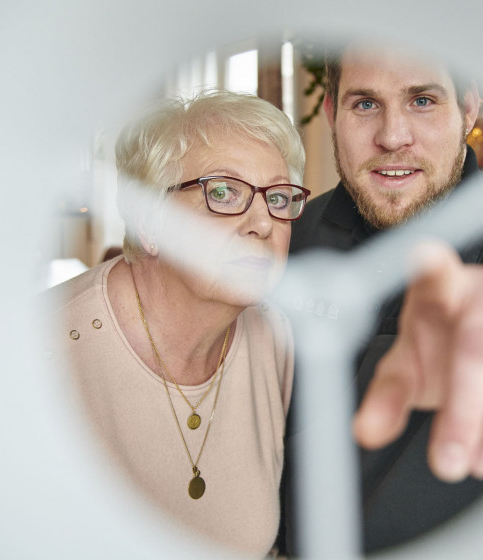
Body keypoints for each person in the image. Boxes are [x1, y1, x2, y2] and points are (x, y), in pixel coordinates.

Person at [280, 42, 483, 553]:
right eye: (365, 104)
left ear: (468, 108)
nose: (392, 136)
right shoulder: (297, 232)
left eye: (422, 101)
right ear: (332, 111)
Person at [40, 91, 310, 556]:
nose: (263, 223)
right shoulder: (42, 351)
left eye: (279, 197)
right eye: (223, 192)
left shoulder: (275, 337)